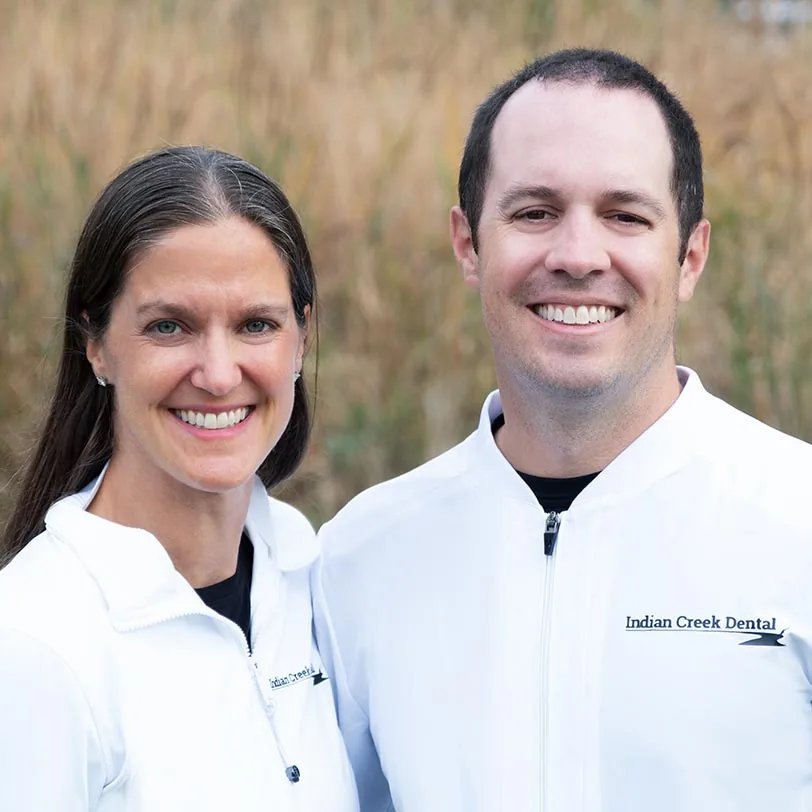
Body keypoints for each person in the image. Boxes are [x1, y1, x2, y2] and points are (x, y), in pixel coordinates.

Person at [313, 48, 812, 812]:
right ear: (468, 244)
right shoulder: (358, 560)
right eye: (534, 212)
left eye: (625, 215)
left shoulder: (797, 520)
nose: (578, 255)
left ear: (691, 256)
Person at [0, 146, 358, 811]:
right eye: (169, 326)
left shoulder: (309, 567)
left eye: (257, 325)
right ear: (97, 344)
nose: (219, 375)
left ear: (301, 339)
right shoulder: (31, 645)